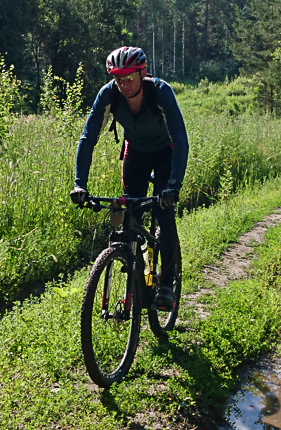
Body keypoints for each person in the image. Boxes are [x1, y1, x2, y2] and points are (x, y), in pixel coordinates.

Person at [69, 46, 190, 309]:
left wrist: (173, 186)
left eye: (129, 78)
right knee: (131, 214)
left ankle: (166, 285)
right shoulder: (109, 95)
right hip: (135, 153)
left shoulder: (160, 92)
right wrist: (80, 183)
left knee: (164, 212)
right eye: (118, 78)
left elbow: (180, 139)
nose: (123, 84)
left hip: (165, 154)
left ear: (142, 73)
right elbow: (88, 139)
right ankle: (136, 271)